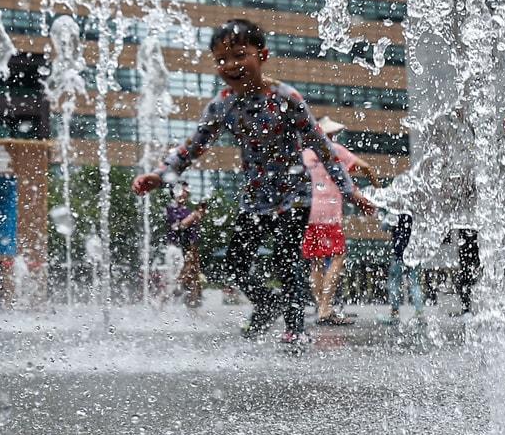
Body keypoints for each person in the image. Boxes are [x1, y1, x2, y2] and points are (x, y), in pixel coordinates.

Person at [131, 19, 376, 345]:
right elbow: (192, 148)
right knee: (234, 262)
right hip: (256, 198)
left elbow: (323, 148)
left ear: (262, 55)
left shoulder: (286, 98)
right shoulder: (223, 105)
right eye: (221, 60)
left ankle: (294, 329)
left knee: (286, 260)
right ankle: (267, 302)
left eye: (239, 55)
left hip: (294, 195)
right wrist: (160, 176)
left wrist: (351, 192)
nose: (230, 65)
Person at [302, 117, 380, 326]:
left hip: (307, 214)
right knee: (338, 257)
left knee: (316, 262)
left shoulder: (305, 154)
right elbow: (367, 168)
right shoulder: (336, 150)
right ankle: (326, 309)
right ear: (331, 134)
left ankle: (321, 308)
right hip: (329, 215)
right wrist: (378, 193)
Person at [164, 184, 205, 308]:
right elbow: (179, 226)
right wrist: (193, 216)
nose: (187, 191)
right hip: (176, 250)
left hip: (190, 250)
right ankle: (163, 307)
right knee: (177, 281)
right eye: (184, 189)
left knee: (193, 281)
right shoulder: (171, 208)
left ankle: (191, 312)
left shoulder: (188, 210)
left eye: (187, 189)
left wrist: (198, 215)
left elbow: (192, 229)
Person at [382, 212, 424, 325]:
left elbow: (384, 226)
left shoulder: (396, 210)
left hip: (398, 253)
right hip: (414, 253)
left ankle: (395, 313)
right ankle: (419, 313)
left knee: (395, 283)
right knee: (415, 283)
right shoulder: (415, 210)